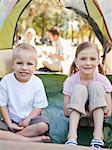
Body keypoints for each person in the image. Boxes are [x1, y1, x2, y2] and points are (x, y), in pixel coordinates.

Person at [63, 42, 112, 149]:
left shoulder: (103, 81)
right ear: (76, 61)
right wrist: (81, 110)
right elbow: (67, 112)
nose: (88, 63)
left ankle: (98, 136)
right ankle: (72, 137)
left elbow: (108, 113)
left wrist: (87, 112)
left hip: (96, 121)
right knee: (79, 88)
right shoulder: (70, 82)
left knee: (96, 86)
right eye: (83, 59)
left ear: (98, 61)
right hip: (77, 121)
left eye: (93, 59)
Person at [0, 43, 50, 142]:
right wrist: (9, 123)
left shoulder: (37, 83)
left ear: (35, 67)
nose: (24, 67)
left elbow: (38, 107)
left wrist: (28, 120)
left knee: (43, 126)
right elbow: (2, 105)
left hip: (31, 121)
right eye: (19, 63)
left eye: (29, 64)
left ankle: (13, 138)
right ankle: (29, 140)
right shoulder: (6, 81)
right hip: (10, 120)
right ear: (13, 65)